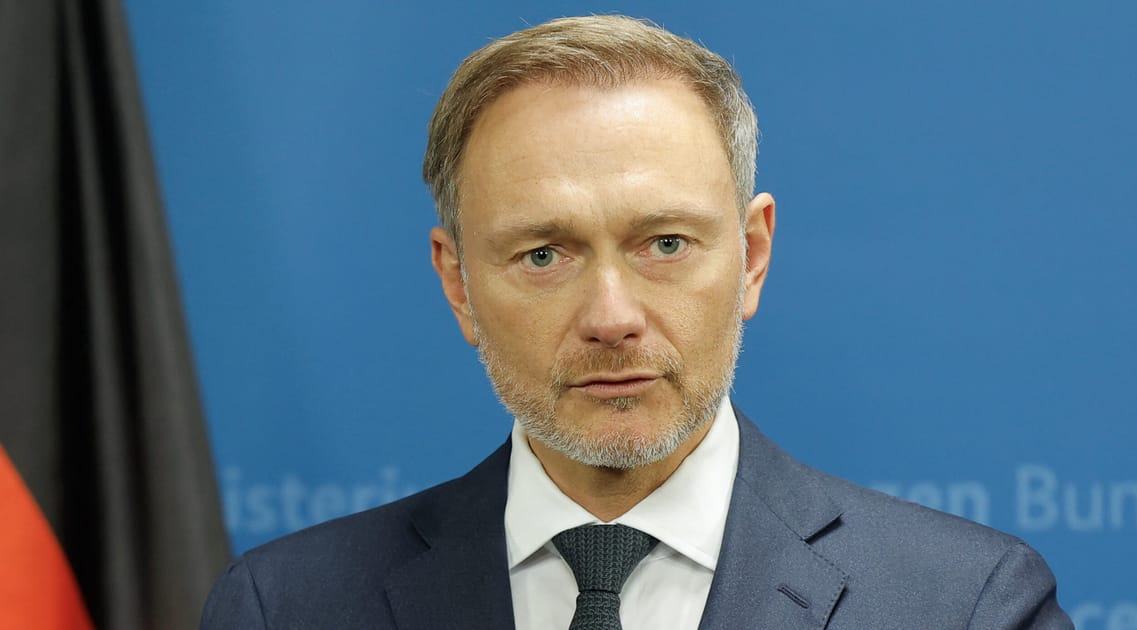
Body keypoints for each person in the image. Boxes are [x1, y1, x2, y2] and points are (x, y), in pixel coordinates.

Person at [201, 15, 1072, 629]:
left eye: (664, 243)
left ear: (753, 256)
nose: (611, 318)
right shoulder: (285, 609)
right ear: (458, 284)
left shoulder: (965, 606)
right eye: (544, 254)